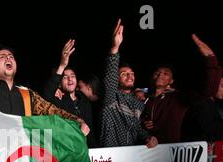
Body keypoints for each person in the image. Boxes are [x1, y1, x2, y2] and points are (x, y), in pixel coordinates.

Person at [142, 35, 221, 144]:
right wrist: (142, 124)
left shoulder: (178, 98)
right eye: (157, 73)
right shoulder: (143, 98)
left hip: (169, 154)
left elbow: (207, 91)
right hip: (143, 151)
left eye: (166, 74)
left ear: (171, 81)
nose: (160, 75)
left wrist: (210, 59)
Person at [101, 19, 158, 149]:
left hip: (130, 158)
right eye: (124, 74)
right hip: (110, 156)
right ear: (116, 78)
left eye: (131, 73)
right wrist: (115, 48)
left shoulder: (138, 104)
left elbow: (136, 129)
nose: (130, 76)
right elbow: (109, 79)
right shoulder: (111, 97)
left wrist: (148, 137)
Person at [42, 39, 97, 147]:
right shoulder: (58, 100)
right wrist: (62, 65)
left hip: (88, 152)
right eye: (65, 77)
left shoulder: (85, 101)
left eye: (72, 76)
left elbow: (91, 130)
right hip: (67, 151)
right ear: (59, 83)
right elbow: (46, 96)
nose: (70, 79)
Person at [182, 74, 223, 142]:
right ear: (213, 85)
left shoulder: (210, 103)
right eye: (222, 86)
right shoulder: (203, 103)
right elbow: (208, 128)